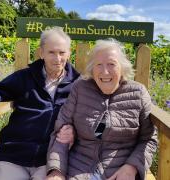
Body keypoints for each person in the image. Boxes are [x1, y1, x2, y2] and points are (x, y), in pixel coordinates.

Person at [46, 38, 158, 180]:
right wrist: (56, 171)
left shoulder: (138, 93)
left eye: (111, 64)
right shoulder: (80, 89)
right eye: (99, 65)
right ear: (92, 69)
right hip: (78, 169)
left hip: (119, 171)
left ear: (122, 68)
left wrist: (132, 166)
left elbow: (148, 139)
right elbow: (61, 134)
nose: (105, 72)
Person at [0, 27, 79, 180]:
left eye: (62, 53)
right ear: (41, 53)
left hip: (51, 160)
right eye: (51, 52)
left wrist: (75, 132)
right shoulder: (25, 77)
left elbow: (90, 115)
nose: (57, 58)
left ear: (69, 53)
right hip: (15, 155)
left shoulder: (78, 85)